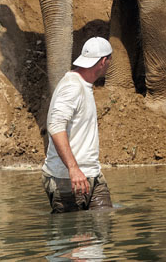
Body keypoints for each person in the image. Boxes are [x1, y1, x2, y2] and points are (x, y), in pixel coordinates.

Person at [42, 37, 114, 213]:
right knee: (73, 233)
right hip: (65, 180)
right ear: (103, 61)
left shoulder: (84, 85)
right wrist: (73, 169)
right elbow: (56, 127)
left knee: (104, 223)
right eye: (110, 60)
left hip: (93, 176)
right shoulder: (72, 86)